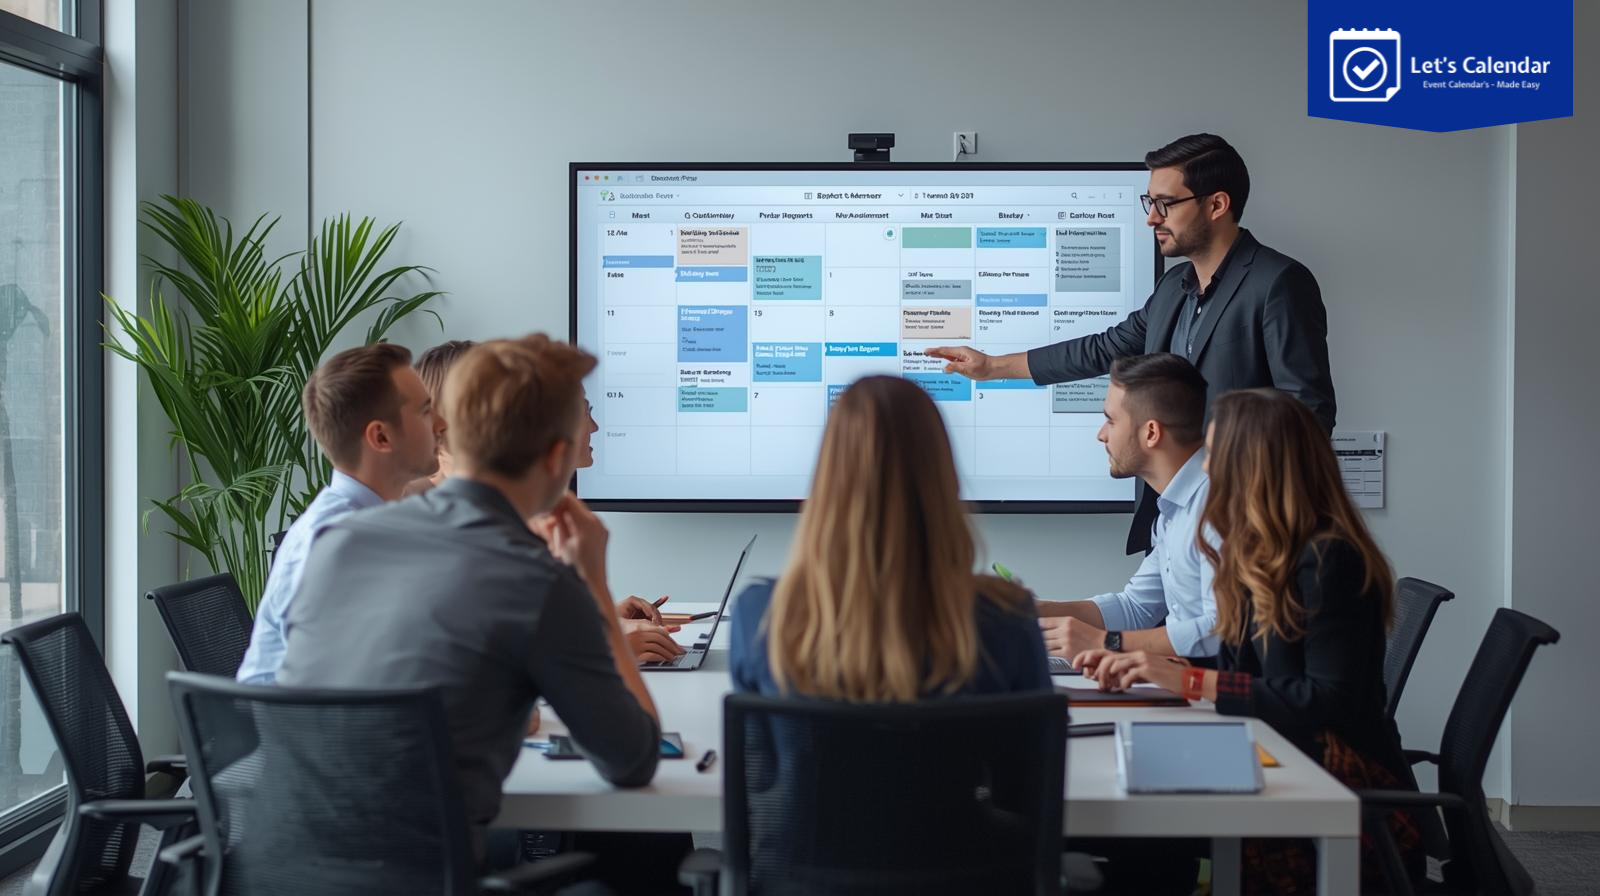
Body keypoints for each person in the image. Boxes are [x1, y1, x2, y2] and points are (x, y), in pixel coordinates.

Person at [277, 335, 662, 862]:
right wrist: (592, 583)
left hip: (265, 867)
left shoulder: (338, 541)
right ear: (557, 458)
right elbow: (633, 761)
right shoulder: (540, 582)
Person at [1075, 388, 1420, 894]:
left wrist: (1189, 680)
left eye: (1216, 456)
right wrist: (1161, 668)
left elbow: (1326, 701)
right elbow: (1244, 667)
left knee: (1143, 831)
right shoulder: (1259, 554)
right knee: (1137, 813)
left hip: (1339, 777)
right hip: (1279, 744)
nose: (1207, 471)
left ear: (1255, 468)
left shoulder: (1328, 559)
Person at [927, 133, 1336, 554]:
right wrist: (992, 367)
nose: (1151, 219)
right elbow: (1105, 348)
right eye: (1149, 203)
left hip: (1245, 528)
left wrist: (1253, 509)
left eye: (1166, 204)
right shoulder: (1173, 287)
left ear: (1216, 205)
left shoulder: (1278, 283)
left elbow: (1309, 413)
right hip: (1170, 520)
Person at [731, 375, 1050, 700]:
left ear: (826, 483)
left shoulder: (761, 616)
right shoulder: (1007, 618)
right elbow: (1040, 734)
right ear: (944, 480)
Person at [407, 338, 683, 665]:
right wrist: (608, 641)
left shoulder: (492, 514)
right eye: (583, 411)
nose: (594, 426)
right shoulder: (430, 522)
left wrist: (597, 617)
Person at [237, 342, 445, 685]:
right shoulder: (342, 540)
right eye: (425, 411)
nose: (441, 424)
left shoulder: (366, 524)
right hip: (304, 719)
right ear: (381, 437)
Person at [1036, 353, 1219, 662]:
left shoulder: (1217, 505)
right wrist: (1036, 611)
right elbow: (1136, 608)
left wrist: (1107, 642)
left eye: (1111, 420)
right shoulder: (1173, 508)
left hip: (1215, 686)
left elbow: (1220, 629)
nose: (1101, 434)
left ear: (1151, 433)